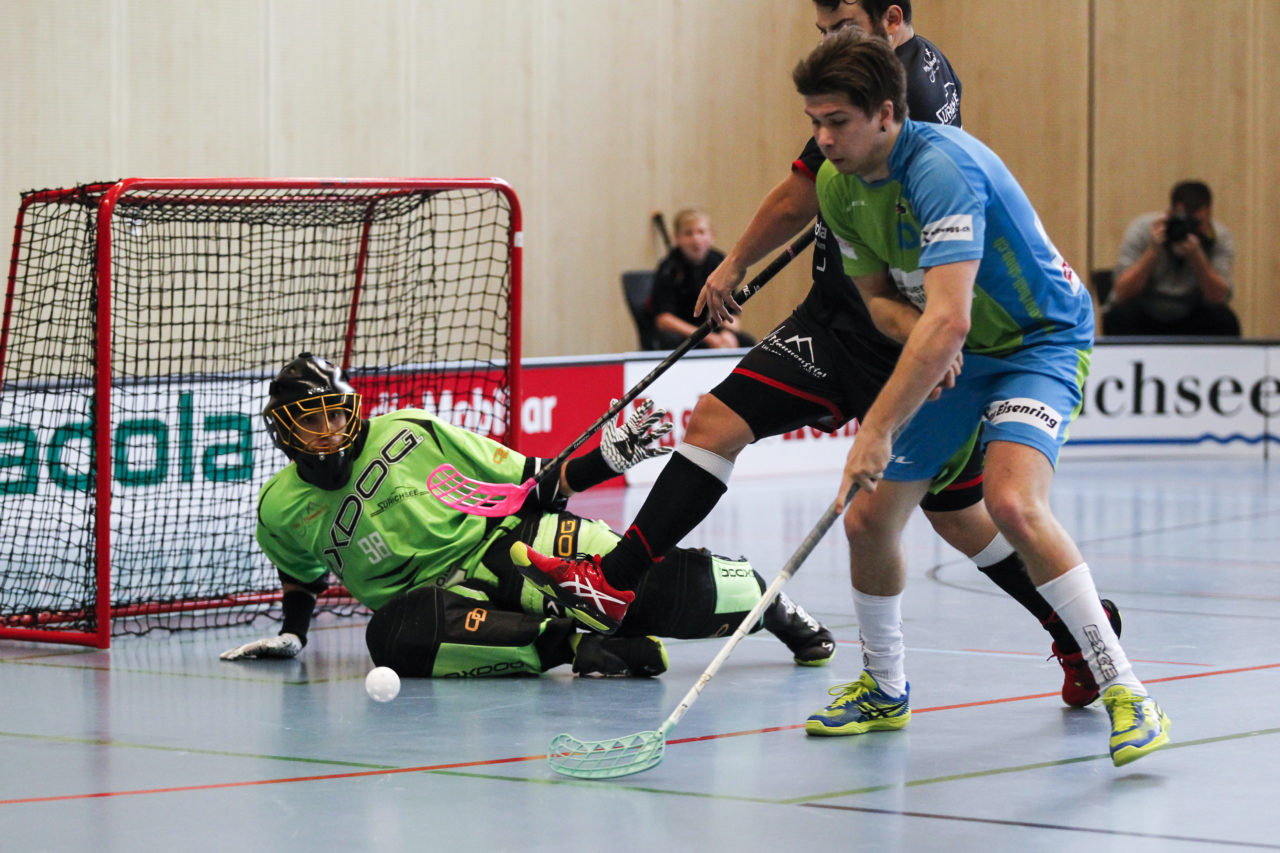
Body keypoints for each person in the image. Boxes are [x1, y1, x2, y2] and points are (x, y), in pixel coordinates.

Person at [510, 0, 1120, 711]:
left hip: (891, 339)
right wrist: (744, 258)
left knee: (959, 515)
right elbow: (815, 192)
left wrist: (738, 262)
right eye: (822, 30)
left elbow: (807, 195)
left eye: (841, 27)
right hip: (834, 315)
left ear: (890, 22)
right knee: (715, 419)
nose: (828, 44)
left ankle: (1078, 627)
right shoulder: (887, 79)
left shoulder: (905, 95)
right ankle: (615, 578)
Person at [792, 32, 1170, 766]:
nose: (822, 138)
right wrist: (929, 336)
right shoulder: (838, 190)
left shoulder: (942, 168)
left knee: (1012, 503)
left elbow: (950, 317)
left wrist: (877, 424)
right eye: (815, 120)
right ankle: (883, 684)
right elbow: (879, 303)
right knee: (869, 519)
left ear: (887, 113)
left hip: (1040, 340)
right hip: (966, 352)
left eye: (836, 120)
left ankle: (1127, 688)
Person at [219, 353, 834, 678]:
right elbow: (302, 573)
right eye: (311, 418)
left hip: (515, 542)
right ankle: (579, 650)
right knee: (389, 638)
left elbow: (528, 483)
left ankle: (765, 600)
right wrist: (294, 633)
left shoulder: (409, 431)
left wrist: (606, 458)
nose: (329, 428)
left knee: (669, 594)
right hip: (438, 604)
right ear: (285, 432)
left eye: (336, 412)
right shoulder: (280, 509)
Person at [1103, 180, 1238, 337]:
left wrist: (1197, 257)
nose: (1189, 229)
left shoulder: (1220, 238)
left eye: (1196, 223)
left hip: (1193, 315)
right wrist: (1153, 252)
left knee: (1224, 320)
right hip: (1145, 311)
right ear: (1169, 213)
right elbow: (1121, 293)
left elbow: (1218, 297)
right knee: (1119, 316)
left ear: (1209, 217)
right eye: (1183, 221)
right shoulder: (1143, 230)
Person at [651, 208, 754, 349]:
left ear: (711, 235)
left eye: (701, 232)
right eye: (688, 233)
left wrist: (728, 332)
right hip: (681, 333)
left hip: (707, 331)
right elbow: (663, 320)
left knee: (746, 342)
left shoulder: (720, 263)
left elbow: (733, 311)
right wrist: (707, 337)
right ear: (677, 238)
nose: (696, 239)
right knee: (671, 341)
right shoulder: (668, 268)